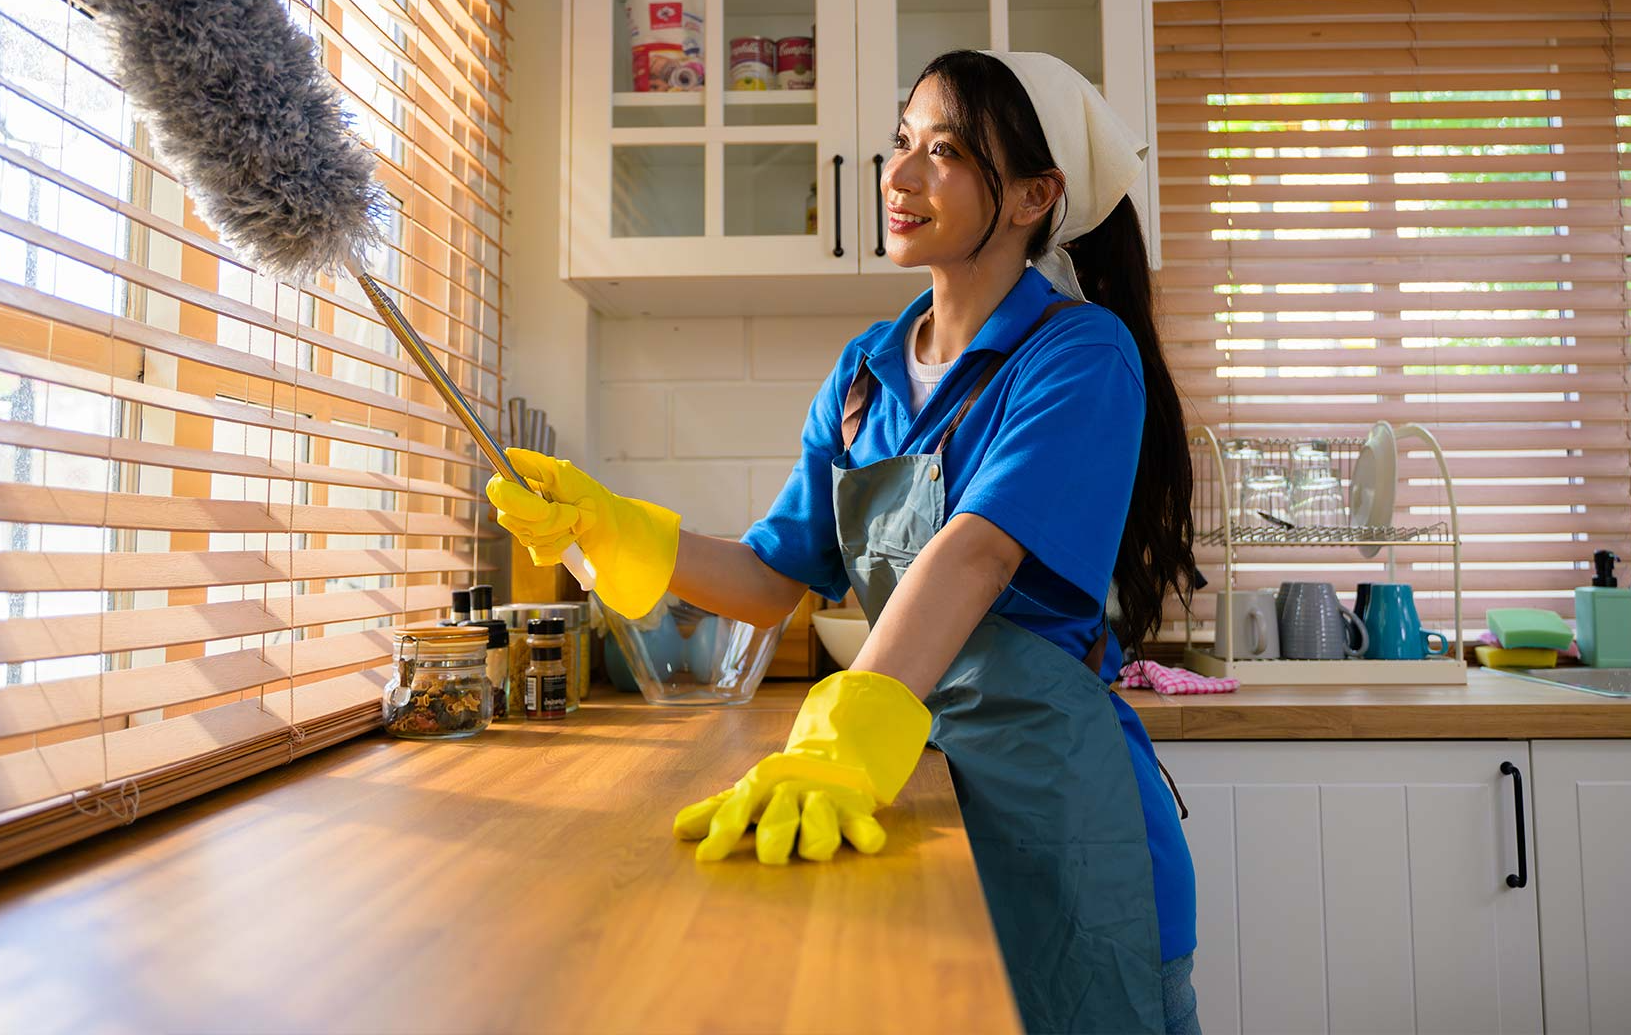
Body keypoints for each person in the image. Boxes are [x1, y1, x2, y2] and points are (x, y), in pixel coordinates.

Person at [488, 50, 1201, 1035]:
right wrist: (610, 525)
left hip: (1063, 820)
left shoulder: (1079, 352)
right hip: (912, 796)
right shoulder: (867, 372)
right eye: (901, 141)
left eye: (945, 150)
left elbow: (975, 553)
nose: (899, 176)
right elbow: (771, 575)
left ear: (1038, 194)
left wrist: (837, 739)